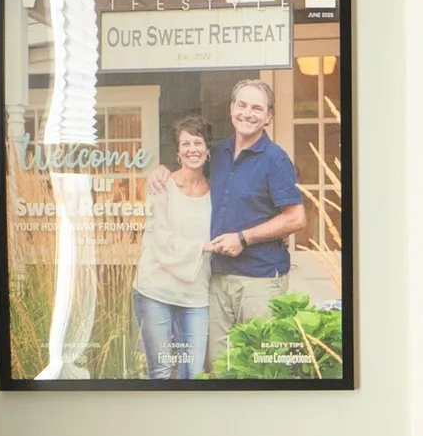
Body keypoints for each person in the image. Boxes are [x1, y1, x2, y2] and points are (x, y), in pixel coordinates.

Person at [206, 74, 308, 370]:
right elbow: (190, 180)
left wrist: (243, 238)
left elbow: (295, 217)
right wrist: (162, 172)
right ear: (231, 108)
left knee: (260, 366)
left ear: (268, 117)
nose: (247, 114)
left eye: (257, 109)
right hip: (218, 277)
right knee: (221, 366)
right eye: (242, 105)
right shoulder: (218, 153)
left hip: (260, 279)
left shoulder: (275, 159)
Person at [131, 116, 215, 381]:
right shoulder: (161, 186)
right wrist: (202, 247)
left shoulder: (216, 191)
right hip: (156, 290)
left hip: (196, 295)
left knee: (194, 372)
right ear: (177, 152)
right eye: (186, 143)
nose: (193, 149)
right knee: (162, 371)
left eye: (198, 142)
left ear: (208, 149)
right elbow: (161, 241)